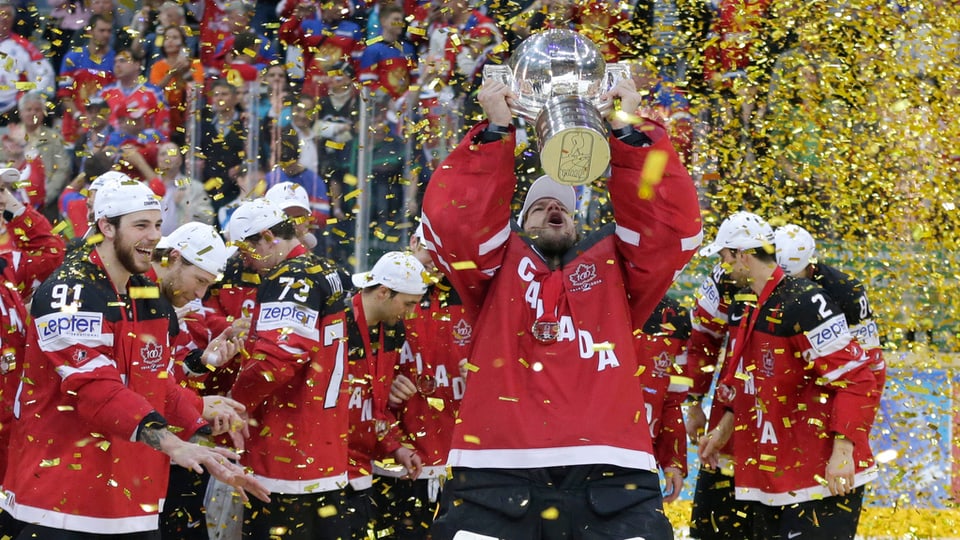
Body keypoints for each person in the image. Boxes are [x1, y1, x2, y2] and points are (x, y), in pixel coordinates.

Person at [419, 76, 702, 538]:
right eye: (539, 207)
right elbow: (456, 224)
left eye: (563, 208)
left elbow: (671, 230)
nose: (554, 210)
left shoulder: (618, 267)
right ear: (516, 223)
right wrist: (495, 132)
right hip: (495, 470)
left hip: (612, 470)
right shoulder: (490, 269)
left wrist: (629, 130)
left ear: (576, 223)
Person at [0, 179, 269, 538]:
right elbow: (96, 391)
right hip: (60, 502)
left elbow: (156, 385)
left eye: (158, 225)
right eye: (140, 225)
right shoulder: (70, 290)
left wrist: (200, 418)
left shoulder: (148, 296)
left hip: (133, 504)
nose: (153, 235)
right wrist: (175, 444)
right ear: (106, 227)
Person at [697, 211, 879, 540]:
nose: (721, 267)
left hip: (820, 481)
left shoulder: (806, 303)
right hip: (775, 477)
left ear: (743, 256)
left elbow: (858, 379)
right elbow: (746, 380)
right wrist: (724, 430)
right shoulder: (744, 301)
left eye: (724, 257)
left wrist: (842, 452)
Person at [225, 197, 358, 539]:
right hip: (325, 447)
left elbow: (275, 362)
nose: (244, 260)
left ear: (268, 236)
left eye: (245, 249)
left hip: (285, 452)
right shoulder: (325, 269)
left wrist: (234, 404)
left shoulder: (290, 278)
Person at [379, 225, 473, 537]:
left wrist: (484, 377)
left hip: (461, 463)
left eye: (443, 249)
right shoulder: (385, 294)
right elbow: (358, 376)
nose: (434, 257)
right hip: (401, 461)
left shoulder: (473, 295)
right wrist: (385, 388)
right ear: (412, 242)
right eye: (428, 247)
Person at [345, 251, 429, 535]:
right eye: (407, 304)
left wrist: (395, 447)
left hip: (361, 471)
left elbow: (374, 407)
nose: (410, 313)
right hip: (327, 472)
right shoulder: (335, 323)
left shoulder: (392, 331)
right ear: (383, 292)